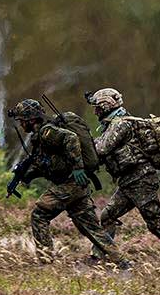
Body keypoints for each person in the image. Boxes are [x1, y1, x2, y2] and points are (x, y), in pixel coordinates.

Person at [7, 99, 128, 268]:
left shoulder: (47, 132)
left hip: (70, 184)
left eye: (22, 121)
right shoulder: (40, 137)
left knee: (39, 215)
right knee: (91, 228)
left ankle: (46, 262)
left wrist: (78, 167)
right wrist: (24, 175)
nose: (21, 125)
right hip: (76, 186)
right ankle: (122, 263)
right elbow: (50, 163)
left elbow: (70, 138)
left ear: (31, 119)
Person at [87, 88, 160, 264]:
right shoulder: (112, 124)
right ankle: (98, 257)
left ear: (106, 105)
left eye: (97, 107)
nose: (95, 111)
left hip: (141, 180)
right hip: (128, 182)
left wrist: (85, 141)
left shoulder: (120, 124)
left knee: (155, 224)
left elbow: (102, 149)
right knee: (107, 217)